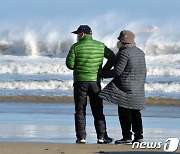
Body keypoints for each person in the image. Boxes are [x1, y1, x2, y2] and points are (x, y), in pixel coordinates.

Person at [66, 25, 115, 144]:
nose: (77, 36)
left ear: (82, 34)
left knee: (80, 109)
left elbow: (70, 65)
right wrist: (103, 70)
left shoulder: (75, 47)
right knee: (98, 109)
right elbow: (112, 57)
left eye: (78, 34)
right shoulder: (100, 46)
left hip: (80, 82)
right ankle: (101, 137)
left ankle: (81, 137)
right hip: (95, 82)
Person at [99, 30, 147, 144]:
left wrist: (102, 74)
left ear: (123, 41)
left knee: (124, 112)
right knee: (136, 112)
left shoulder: (124, 53)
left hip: (125, 88)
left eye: (119, 40)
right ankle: (139, 137)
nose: (118, 43)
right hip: (138, 88)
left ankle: (127, 137)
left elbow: (117, 71)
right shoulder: (140, 52)